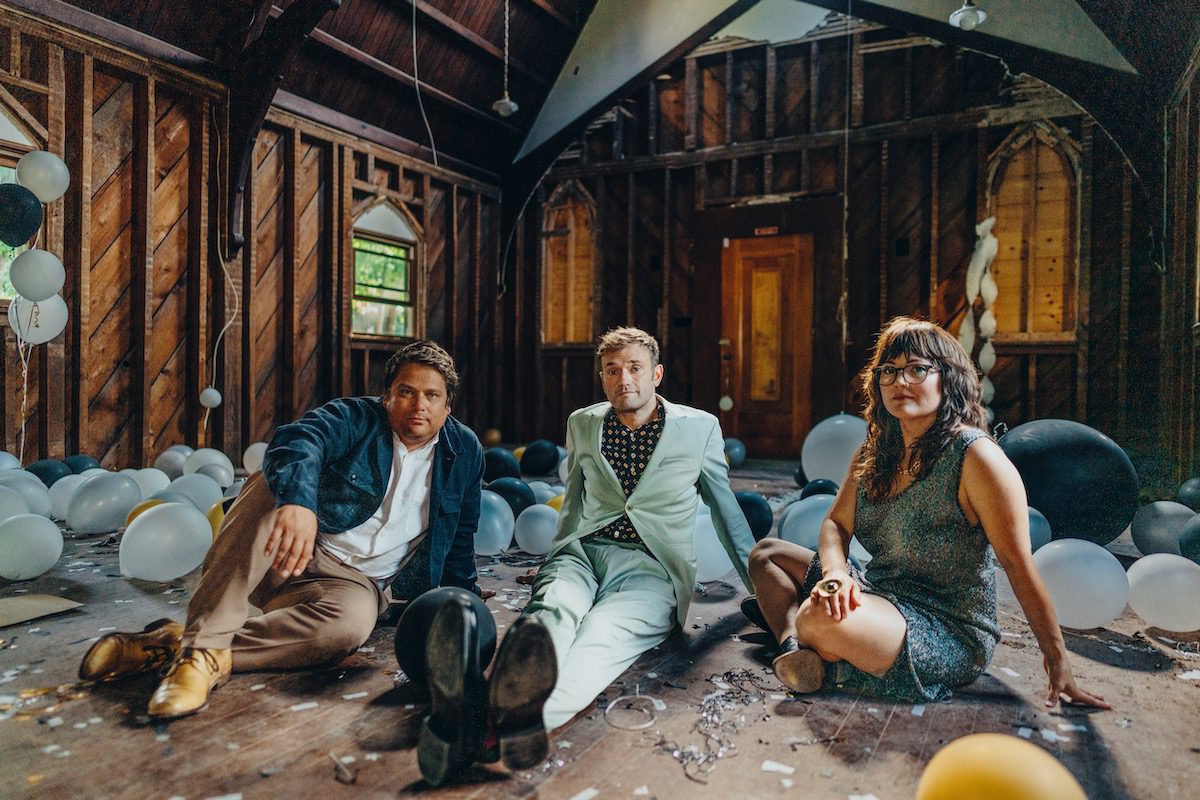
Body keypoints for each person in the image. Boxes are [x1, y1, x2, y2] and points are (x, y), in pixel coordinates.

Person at [78, 340, 488, 719]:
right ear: (387, 397)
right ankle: (202, 650)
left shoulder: (465, 452)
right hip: (292, 552)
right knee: (272, 482)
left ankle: (180, 645)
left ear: (448, 406)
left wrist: (466, 611)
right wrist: (298, 502)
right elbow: (300, 439)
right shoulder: (356, 418)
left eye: (432, 396)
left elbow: (460, 536)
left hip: (357, 585)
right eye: (406, 392)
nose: (419, 405)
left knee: (349, 628)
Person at [746, 317, 1110, 709]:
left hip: (944, 626)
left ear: (948, 378)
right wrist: (837, 572)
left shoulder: (976, 458)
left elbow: (1019, 565)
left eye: (917, 369)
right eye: (890, 371)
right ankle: (795, 648)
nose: (900, 382)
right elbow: (836, 524)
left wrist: (1058, 663)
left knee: (818, 616)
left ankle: (812, 639)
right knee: (766, 554)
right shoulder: (875, 450)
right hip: (877, 589)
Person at [527, 326, 755, 728]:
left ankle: (527, 721)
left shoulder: (698, 428)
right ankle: (501, 697)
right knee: (551, 613)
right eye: (612, 370)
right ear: (602, 377)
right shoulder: (582, 423)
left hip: (652, 567)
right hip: (583, 553)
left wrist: (763, 592)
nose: (623, 379)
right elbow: (574, 500)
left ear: (657, 374)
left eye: (635, 368)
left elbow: (726, 512)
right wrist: (558, 555)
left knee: (601, 636)